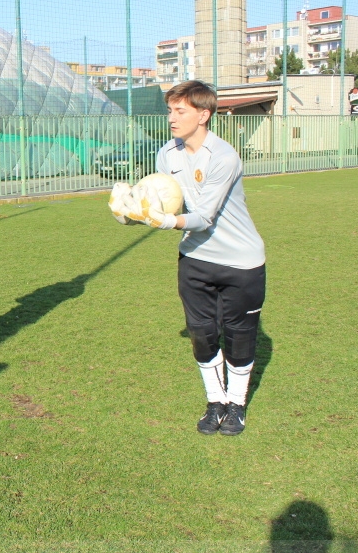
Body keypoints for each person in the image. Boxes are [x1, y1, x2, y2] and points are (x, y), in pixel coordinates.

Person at [109, 80, 266, 436]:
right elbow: (164, 200)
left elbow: (203, 216)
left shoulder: (224, 157)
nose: (172, 118)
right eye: (170, 110)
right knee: (201, 333)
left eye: (181, 111)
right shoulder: (167, 153)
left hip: (241, 261)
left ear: (204, 115)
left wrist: (163, 221)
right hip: (195, 258)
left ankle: (237, 405)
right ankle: (216, 403)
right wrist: (131, 211)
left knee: (240, 336)